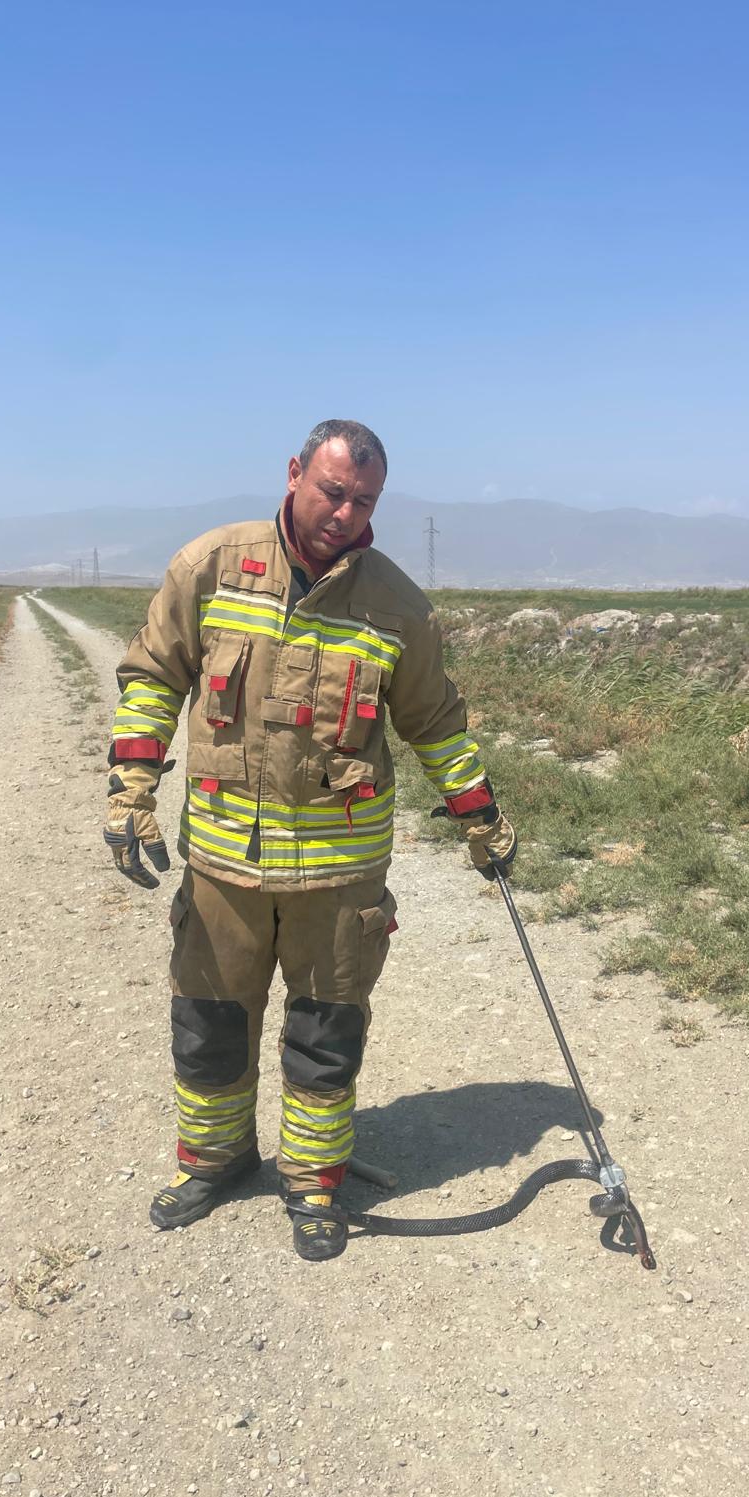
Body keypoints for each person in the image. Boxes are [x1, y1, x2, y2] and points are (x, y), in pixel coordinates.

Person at [103, 420, 516, 1261]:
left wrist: (478, 812)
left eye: (363, 500)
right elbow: (152, 677)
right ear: (294, 473)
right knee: (209, 1023)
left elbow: (435, 722)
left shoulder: (397, 605)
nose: (343, 511)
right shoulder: (212, 567)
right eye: (331, 491)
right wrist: (129, 789)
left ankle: (314, 1179)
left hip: (341, 874)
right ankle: (215, 1160)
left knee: (327, 1036)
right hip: (224, 863)